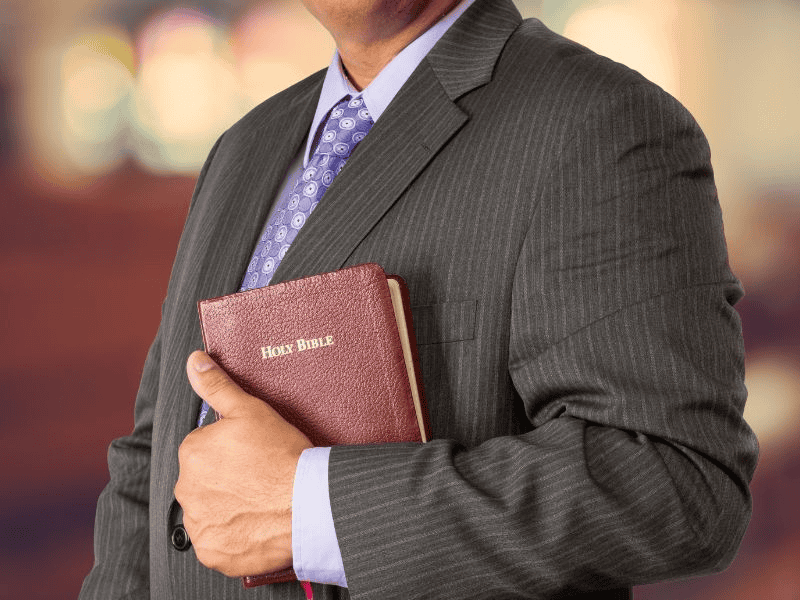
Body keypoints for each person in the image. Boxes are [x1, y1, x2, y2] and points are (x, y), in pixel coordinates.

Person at [79, 0, 759, 597]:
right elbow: (155, 457)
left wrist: (314, 510)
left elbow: (675, 481)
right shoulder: (242, 149)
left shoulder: (598, 122)